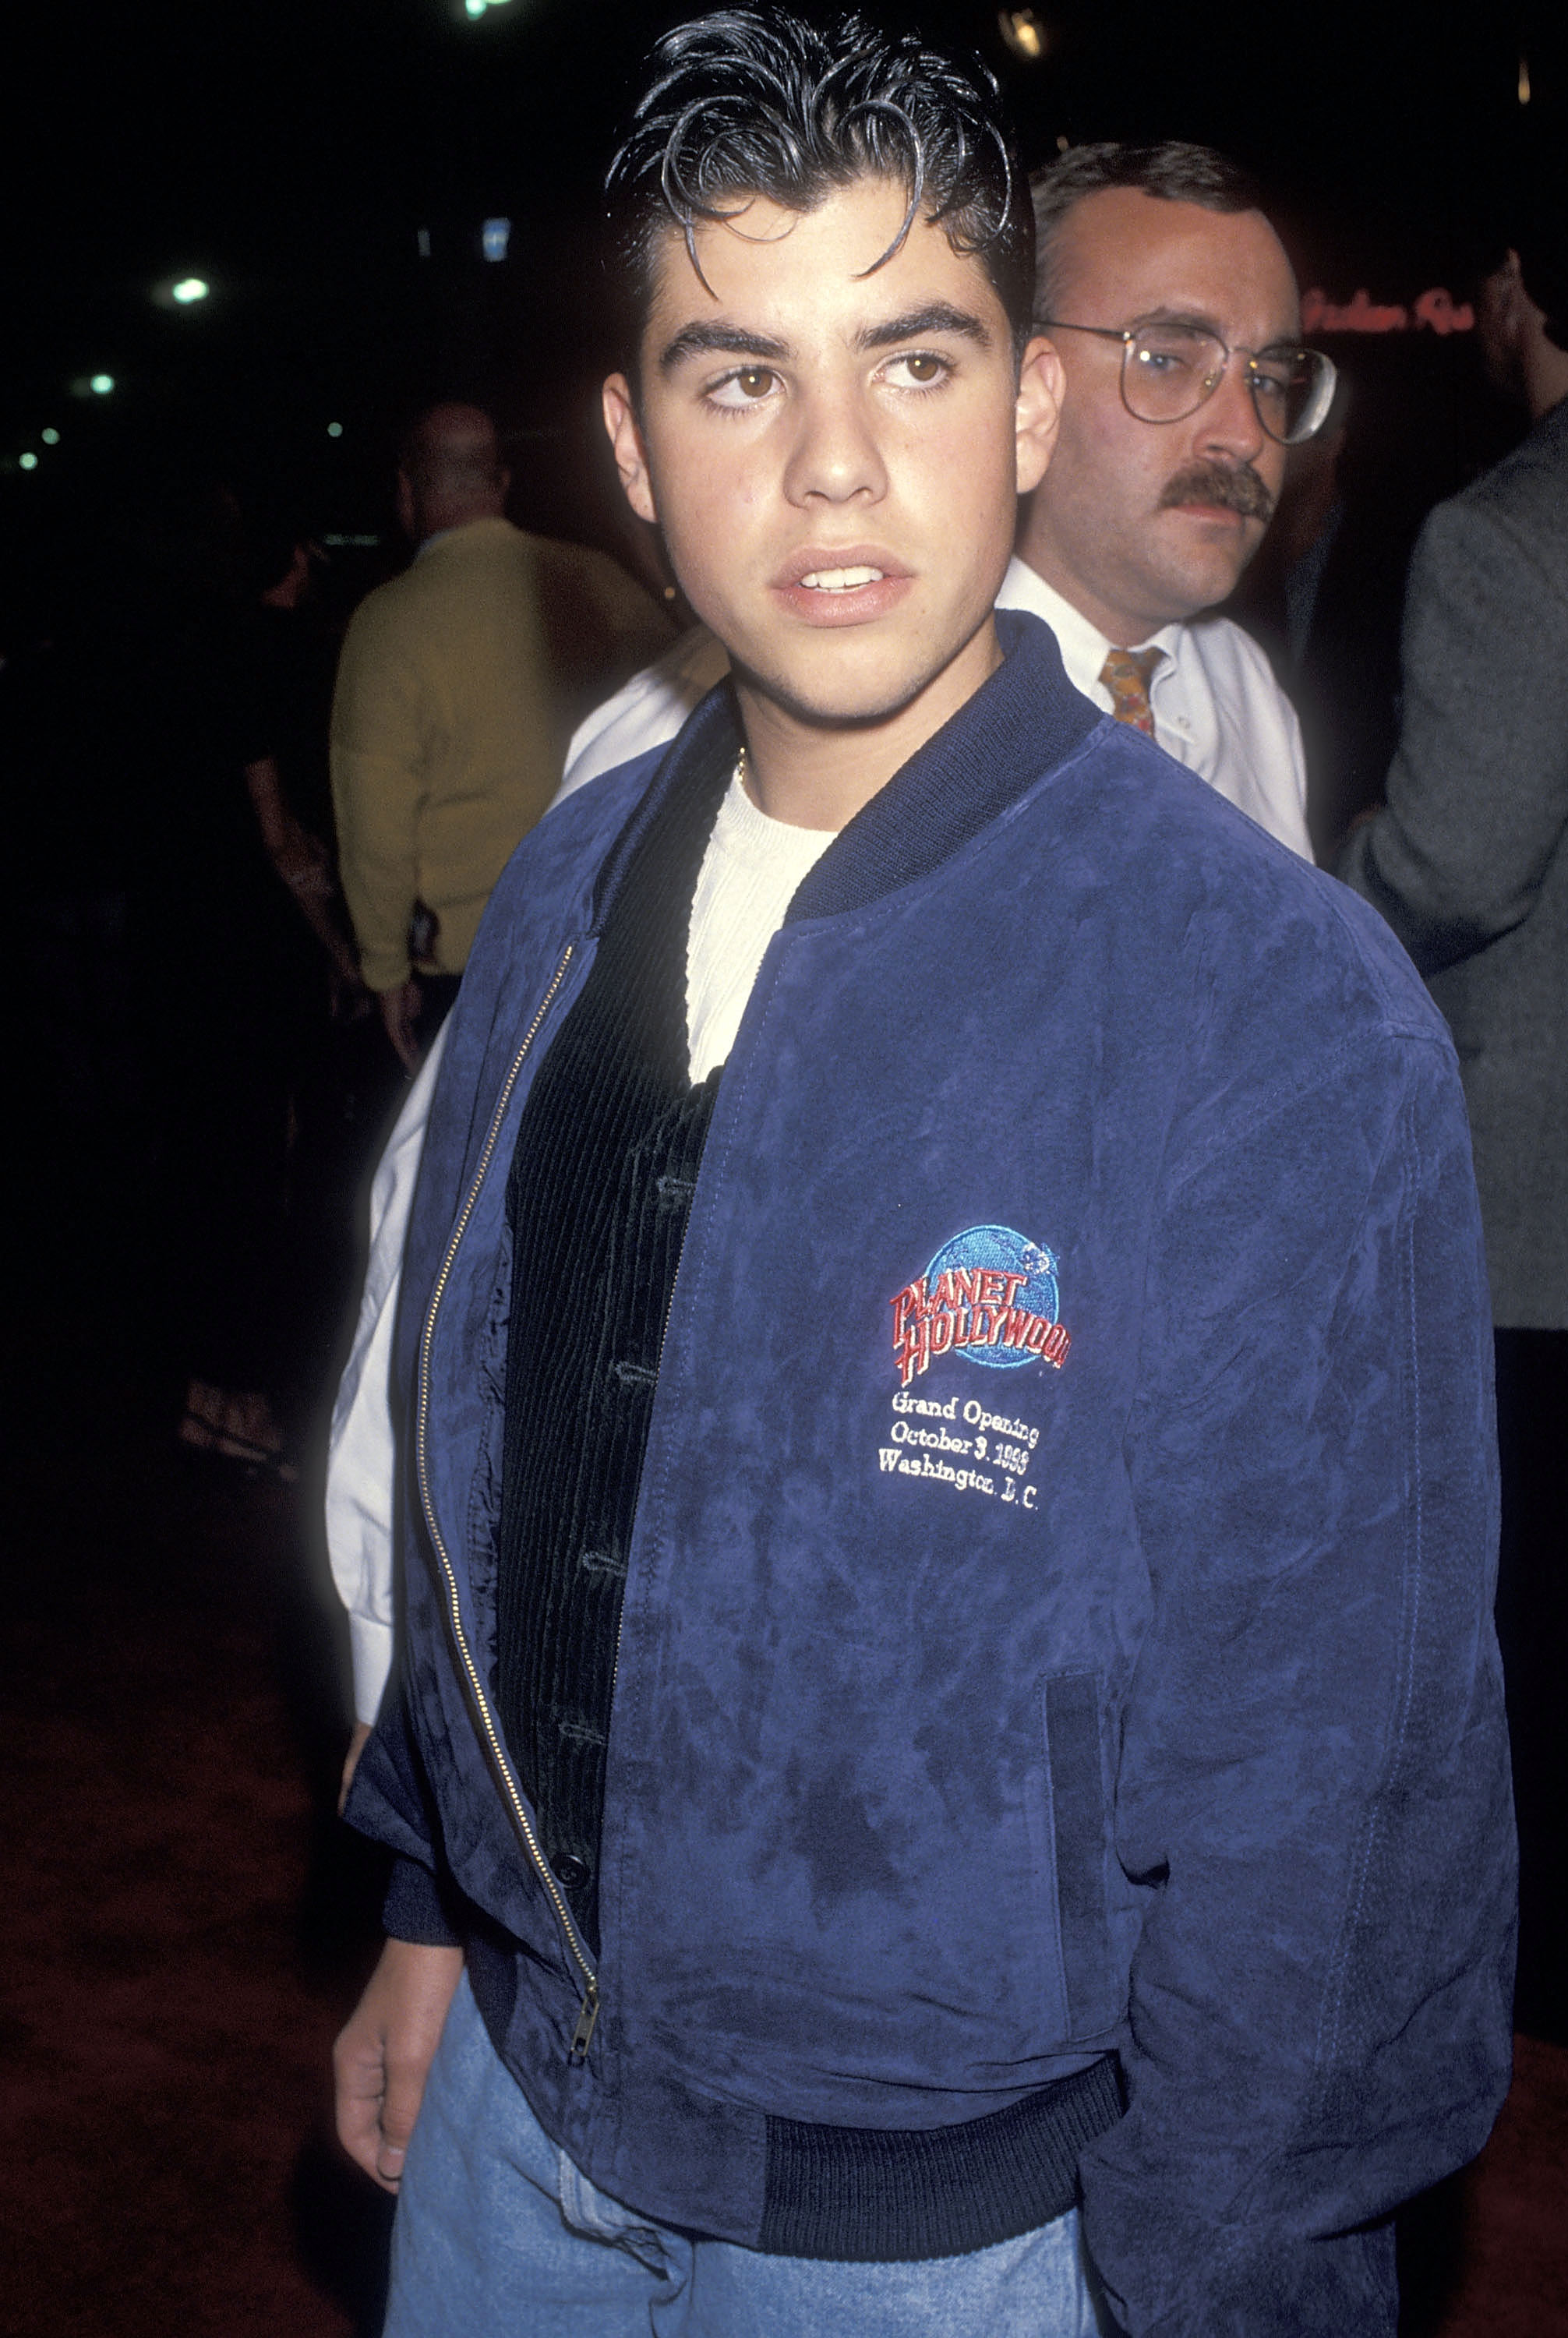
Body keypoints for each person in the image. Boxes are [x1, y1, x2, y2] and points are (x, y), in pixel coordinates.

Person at [332, 14, 1513, 2333]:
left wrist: (1236, 2278)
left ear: (1027, 413)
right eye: (738, 376)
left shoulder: (1265, 996)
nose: (837, 467)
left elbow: (1338, 1784)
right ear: (632, 452)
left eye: (914, 357)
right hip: (513, 2101)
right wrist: (418, 1906)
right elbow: (478, 1424)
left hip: (941, 2228)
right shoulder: (567, 885)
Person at [559, 142, 1330, 864]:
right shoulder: (687, 747)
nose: (1242, 432)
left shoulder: (1245, 694)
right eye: (1164, 358)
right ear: (1024, 390)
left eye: (1267, 376)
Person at [1339, 210, 1567, 2043]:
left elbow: (1458, 859)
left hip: (1534, 1186)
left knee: (1519, 1613)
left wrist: (1303, 914)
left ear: (1521, 304)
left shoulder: (1504, 531)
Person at [330, 401, 674, 1068]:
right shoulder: (597, 580)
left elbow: (375, 828)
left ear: (408, 489)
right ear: (502, 483)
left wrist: (384, 970)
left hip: (472, 964)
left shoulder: (387, 624)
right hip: (608, 942)